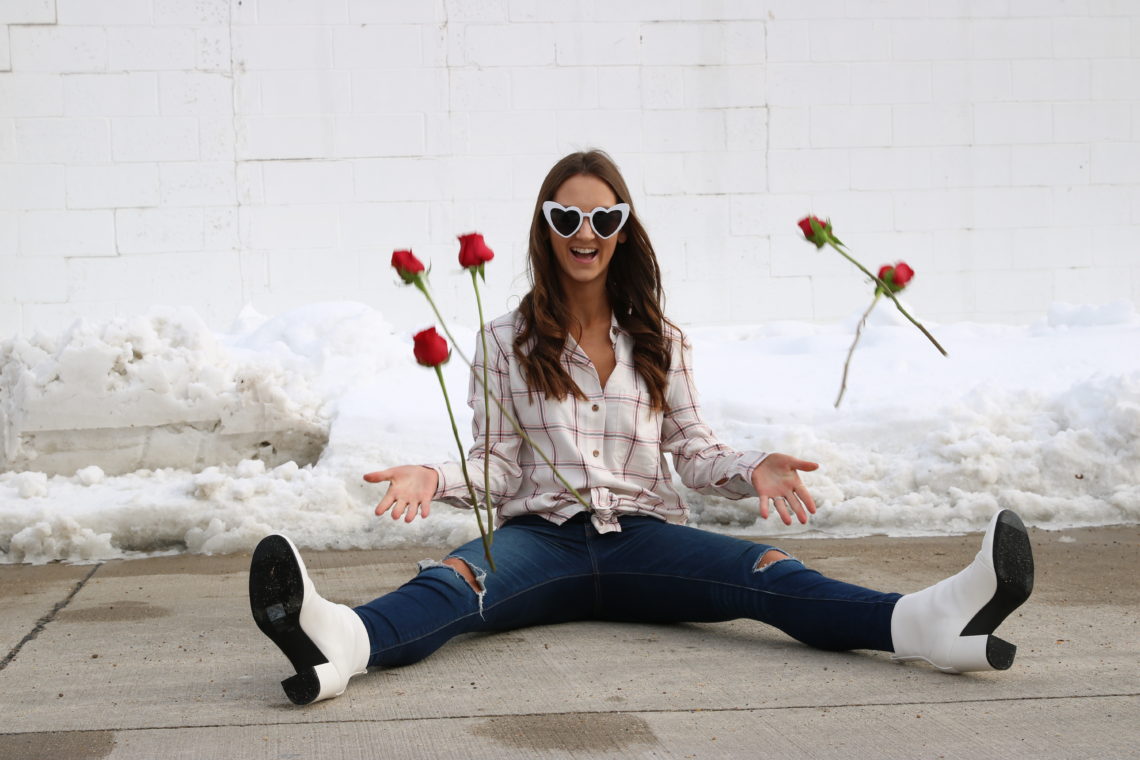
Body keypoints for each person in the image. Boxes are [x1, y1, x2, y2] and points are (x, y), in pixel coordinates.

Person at [248, 150, 1035, 706]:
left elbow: (693, 452)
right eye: (567, 216)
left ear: (623, 228)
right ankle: (339, 643)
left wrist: (751, 467)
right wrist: (436, 477)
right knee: (457, 581)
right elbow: (494, 466)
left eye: (603, 215)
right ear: (545, 230)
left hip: (647, 538)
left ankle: (930, 623)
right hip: (541, 541)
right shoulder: (501, 343)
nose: (584, 230)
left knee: (769, 573)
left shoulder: (661, 341)